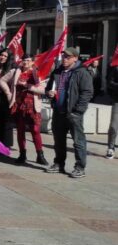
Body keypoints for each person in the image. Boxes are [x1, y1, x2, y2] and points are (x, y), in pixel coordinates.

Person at [45, 47, 94, 178]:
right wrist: (49, 93)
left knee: (78, 141)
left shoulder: (82, 72)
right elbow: (48, 88)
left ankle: (80, 167)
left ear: (75, 58)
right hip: (58, 111)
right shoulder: (57, 71)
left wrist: (78, 111)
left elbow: (87, 92)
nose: (64, 59)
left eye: (68, 57)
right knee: (59, 141)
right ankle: (59, 163)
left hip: (73, 113)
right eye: (64, 56)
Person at [0, 54, 47, 165]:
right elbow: (2, 80)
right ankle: (22, 155)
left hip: (33, 106)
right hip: (19, 105)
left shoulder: (37, 73)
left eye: (28, 60)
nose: (26, 62)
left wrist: (28, 86)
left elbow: (43, 90)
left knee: (35, 130)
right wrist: (9, 94)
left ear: (32, 62)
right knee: (20, 130)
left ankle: (40, 155)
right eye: (24, 60)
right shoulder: (16, 71)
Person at [107, 59, 118, 159]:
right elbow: (109, 82)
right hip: (117, 101)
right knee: (113, 126)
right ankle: (111, 148)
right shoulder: (116, 68)